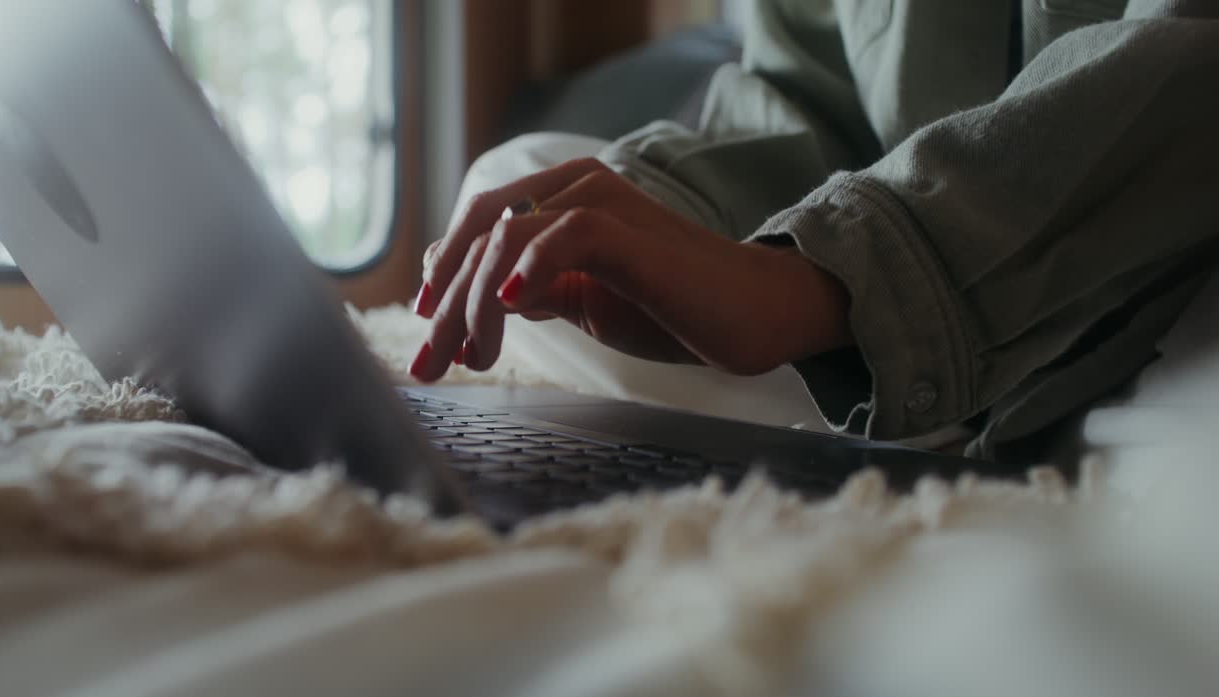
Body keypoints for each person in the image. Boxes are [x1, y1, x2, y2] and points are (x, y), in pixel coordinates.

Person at [409, 0, 1219, 468]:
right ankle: (904, 391)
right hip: (887, 286)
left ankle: (926, 398)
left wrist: (819, 287)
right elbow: (801, 98)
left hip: (1159, 302)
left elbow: (1189, 68)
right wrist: (660, 222)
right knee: (516, 184)